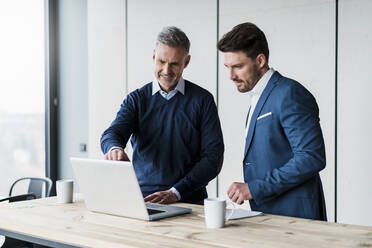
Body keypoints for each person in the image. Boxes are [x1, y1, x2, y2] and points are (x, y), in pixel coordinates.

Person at [101, 26, 224, 204]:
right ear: (153, 57)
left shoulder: (203, 100)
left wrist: (176, 192)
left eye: (174, 64)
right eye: (161, 62)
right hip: (144, 200)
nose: (166, 70)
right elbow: (111, 134)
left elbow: (213, 158)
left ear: (186, 62)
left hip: (188, 199)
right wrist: (115, 149)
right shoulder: (136, 100)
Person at [218, 22, 327, 220]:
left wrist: (254, 188)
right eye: (227, 67)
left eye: (238, 66)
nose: (231, 76)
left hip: (296, 217)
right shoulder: (259, 97)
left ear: (260, 60)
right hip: (270, 214)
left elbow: (311, 157)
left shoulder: (290, 94)